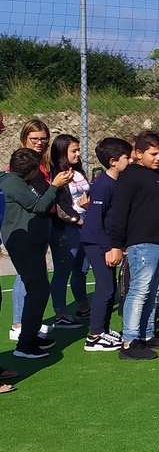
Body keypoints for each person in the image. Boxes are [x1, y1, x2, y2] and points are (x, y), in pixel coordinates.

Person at [107, 131, 159, 359]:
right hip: (143, 243)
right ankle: (129, 340)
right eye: (153, 154)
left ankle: (147, 332)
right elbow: (119, 213)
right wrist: (115, 244)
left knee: (157, 289)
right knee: (140, 290)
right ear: (138, 153)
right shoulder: (131, 177)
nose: (158, 158)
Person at [1, 148, 73, 360]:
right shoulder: (14, 184)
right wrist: (55, 186)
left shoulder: (14, 180)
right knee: (38, 290)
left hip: (30, 242)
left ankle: (30, 337)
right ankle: (25, 343)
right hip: (24, 244)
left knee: (39, 289)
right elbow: (39, 206)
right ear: (31, 171)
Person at [80, 137, 132, 351]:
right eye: (126, 157)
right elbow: (94, 221)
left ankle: (104, 329)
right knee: (105, 288)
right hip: (96, 242)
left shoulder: (115, 182)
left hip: (106, 242)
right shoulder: (102, 185)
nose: (129, 161)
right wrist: (108, 248)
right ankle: (94, 336)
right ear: (113, 161)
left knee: (109, 288)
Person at [6, 119, 52, 342]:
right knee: (26, 279)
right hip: (23, 233)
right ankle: (19, 325)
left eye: (44, 139)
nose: (40, 143)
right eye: (35, 139)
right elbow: (36, 204)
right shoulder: (17, 170)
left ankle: (28, 329)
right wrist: (54, 188)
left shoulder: (42, 161)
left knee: (36, 281)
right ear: (25, 139)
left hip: (35, 231)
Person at [47, 134, 90, 328]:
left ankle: (83, 307)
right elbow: (60, 204)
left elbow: (86, 195)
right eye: (74, 150)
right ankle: (60, 313)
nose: (78, 154)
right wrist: (77, 219)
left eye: (79, 150)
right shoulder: (57, 174)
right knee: (63, 271)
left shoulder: (78, 171)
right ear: (63, 152)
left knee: (81, 269)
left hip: (85, 224)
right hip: (67, 228)